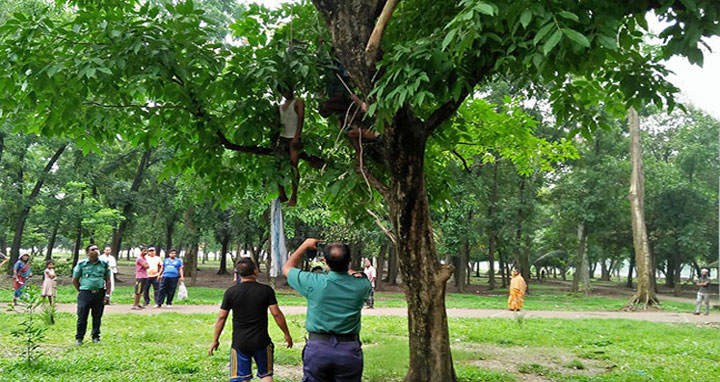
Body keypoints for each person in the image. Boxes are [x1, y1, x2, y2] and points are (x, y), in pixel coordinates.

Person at [283, 239, 371, 382]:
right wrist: (344, 266)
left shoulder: (313, 282)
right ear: (350, 260)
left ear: (324, 261)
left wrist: (304, 245)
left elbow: (287, 267)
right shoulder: (362, 285)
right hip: (348, 350)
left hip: (318, 349)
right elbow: (352, 274)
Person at [209, 258, 293, 382]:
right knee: (266, 374)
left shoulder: (231, 292)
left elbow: (222, 317)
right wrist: (286, 334)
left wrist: (215, 340)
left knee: (242, 377)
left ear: (238, 273)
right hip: (262, 341)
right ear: (256, 271)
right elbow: (276, 314)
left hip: (239, 342)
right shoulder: (266, 290)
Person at [72, 245, 111, 345]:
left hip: (99, 293)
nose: (95, 251)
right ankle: (79, 338)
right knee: (82, 317)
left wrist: (107, 295)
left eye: (97, 249)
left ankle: (96, 337)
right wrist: (81, 290)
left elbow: (108, 280)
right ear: (87, 253)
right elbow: (75, 280)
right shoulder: (82, 264)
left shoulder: (104, 264)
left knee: (97, 317)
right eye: (92, 250)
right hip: (85, 294)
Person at [277, 83, 304, 207]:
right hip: (283, 138)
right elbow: (278, 124)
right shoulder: (280, 106)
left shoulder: (298, 103)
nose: (285, 93)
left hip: (293, 137)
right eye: (282, 91)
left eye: (286, 90)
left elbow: (300, 119)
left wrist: (297, 137)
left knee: (293, 167)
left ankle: (294, 196)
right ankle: (282, 193)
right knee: (279, 166)